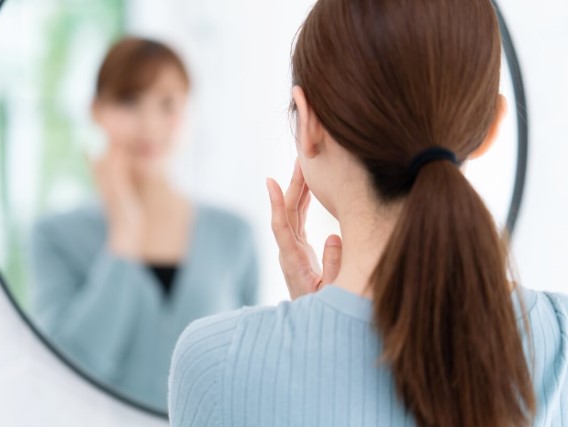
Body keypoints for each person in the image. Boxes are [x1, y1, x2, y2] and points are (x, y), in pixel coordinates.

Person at [168, 0, 568, 426]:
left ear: (309, 123)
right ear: (490, 127)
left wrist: (315, 333)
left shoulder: (218, 364)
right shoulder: (558, 338)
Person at [30, 37, 259, 413]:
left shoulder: (234, 235)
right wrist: (124, 235)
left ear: (187, 111)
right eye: (129, 101)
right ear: (97, 111)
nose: (149, 125)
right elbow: (71, 368)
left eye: (167, 104)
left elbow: (247, 375)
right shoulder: (55, 237)